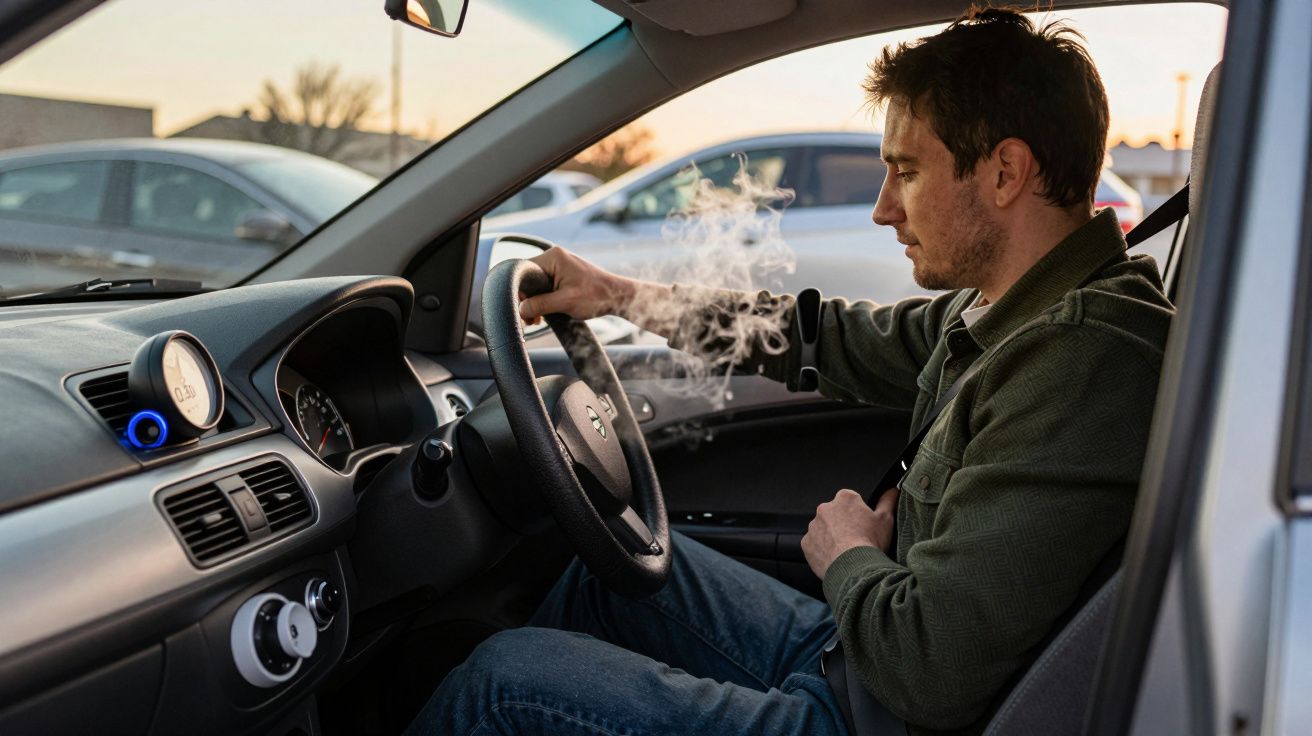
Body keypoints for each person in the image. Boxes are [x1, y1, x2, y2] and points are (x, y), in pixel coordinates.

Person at [406, 7, 1173, 735]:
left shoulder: (1079, 362)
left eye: (905, 171)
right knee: (604, 573)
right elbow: (819, 340)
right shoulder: (1012, 310)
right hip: (854, 666)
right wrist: (616, 296)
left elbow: (931, 672)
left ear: (1005, 173)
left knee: (499, 683)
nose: (883, 209)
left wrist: (849, 556)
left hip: (871, 714)